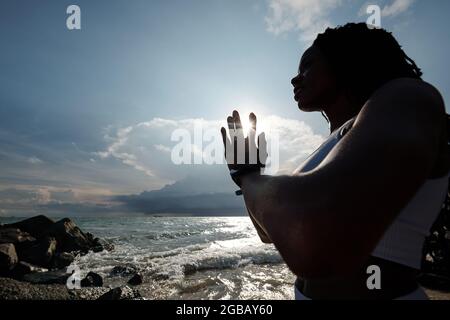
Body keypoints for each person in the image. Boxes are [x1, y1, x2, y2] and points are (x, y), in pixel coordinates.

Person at [220, 22, 450, 300]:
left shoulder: (408, 96)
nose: (295, 79)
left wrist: (248, 176)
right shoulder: (332, 144)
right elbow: (268, 233)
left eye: (307, 66)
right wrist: (247, 174)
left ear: (348, 60)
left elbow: (311, 239)